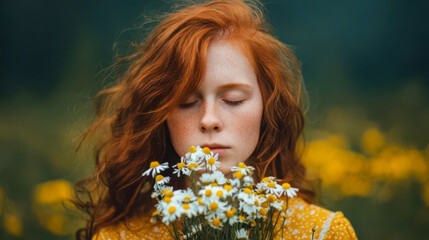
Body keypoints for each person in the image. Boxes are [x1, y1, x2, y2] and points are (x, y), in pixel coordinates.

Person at [73, 0, 358, 239]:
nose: (209, 120)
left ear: (267, 107)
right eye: (186, 102)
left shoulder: (322, 232)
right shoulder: (120, 237)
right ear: (160, 114)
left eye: (233, 99)